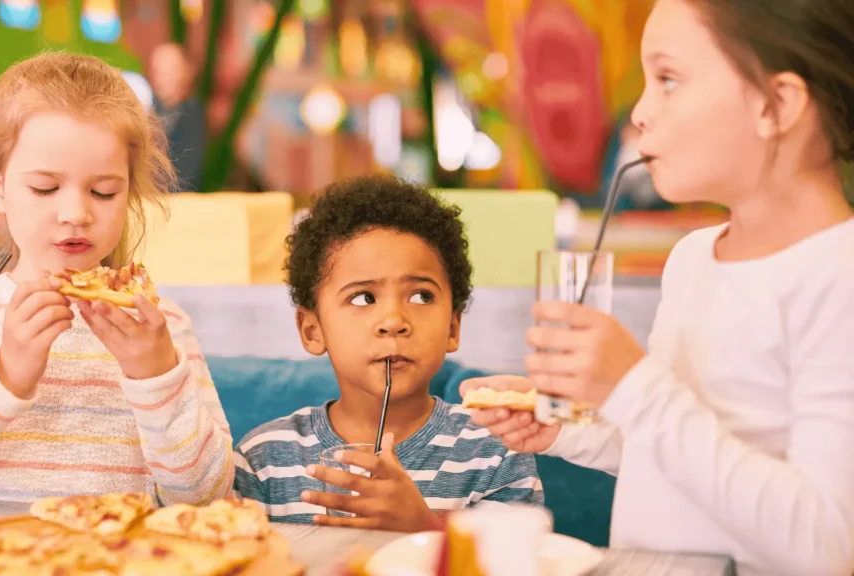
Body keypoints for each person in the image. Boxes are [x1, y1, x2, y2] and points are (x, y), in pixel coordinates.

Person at [462, 0, 854, 574]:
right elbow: (676, 456)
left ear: (778, 103)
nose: (640, 113)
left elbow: (829, 545)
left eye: (668, 79)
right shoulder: (693, 258)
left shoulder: (839, 275)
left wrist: (634, 388)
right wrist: (573, 427)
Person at [0, 53, 234, 505]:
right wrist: (3, 378)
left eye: (103, 191)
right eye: (45, 188)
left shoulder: (160, 326)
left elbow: (207, 496)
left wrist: (157, 376)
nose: (75, 213)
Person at [233, 175, 543, 531]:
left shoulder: (496, 450)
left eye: (421, 296)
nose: (393, 321)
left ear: (453, 327)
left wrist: (422, 526)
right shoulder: (263, 460)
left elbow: (514, 557)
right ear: (312, 330)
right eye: (363, 298)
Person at [149, 42, 205, 192]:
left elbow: (188, 172)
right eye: (158, 70)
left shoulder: (191, 113)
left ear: (185, 73)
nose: (163, 78)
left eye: (170, 71)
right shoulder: (149, 108)